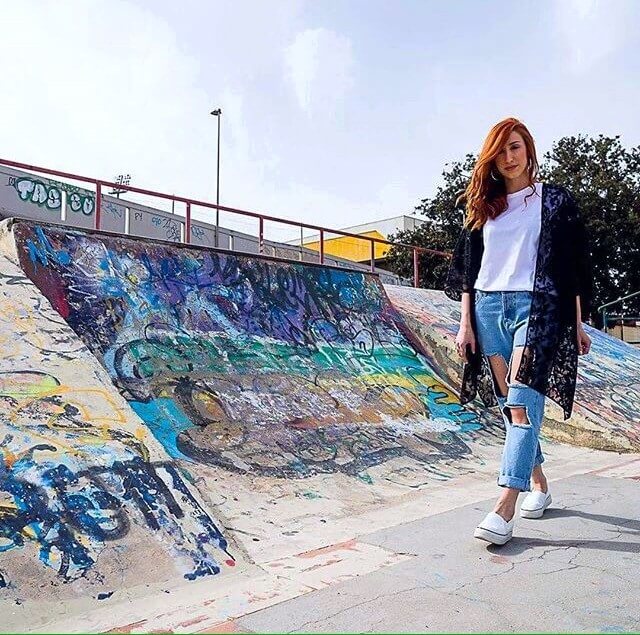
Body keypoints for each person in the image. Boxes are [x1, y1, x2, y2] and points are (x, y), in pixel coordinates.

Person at [444, 117, 593, 546]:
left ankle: (504, 506)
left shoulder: (554, 200)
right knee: (511, 409)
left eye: (514, 147)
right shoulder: (484, 206)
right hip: (488, 308)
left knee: (523, 405)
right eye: (500, 151)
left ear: (528, 149)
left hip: (538, 308)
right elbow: (469, 270)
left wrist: (578, 324)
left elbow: (572, 267)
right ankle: (540, 483)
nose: (508, 157)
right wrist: (465, 322)